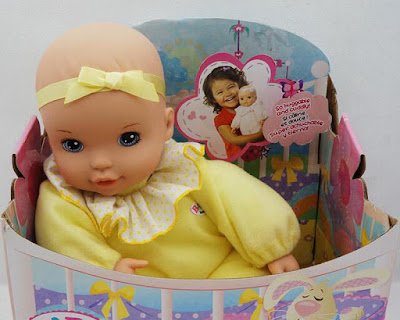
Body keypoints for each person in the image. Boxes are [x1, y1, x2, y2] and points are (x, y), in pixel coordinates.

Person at [35, 23, 300, 279]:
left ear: (166, 125)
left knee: (255, 279)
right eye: (72, 145)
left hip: (219, 270)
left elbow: (239, 199)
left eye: (128, 138)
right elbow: (64, 238)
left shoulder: (184, 171)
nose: (101, 162)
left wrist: (273, 249)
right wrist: (105, 267)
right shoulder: (65, 197)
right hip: (135, 292)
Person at [203, 66, 265, 159]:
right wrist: (261, 134)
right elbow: (235, 139)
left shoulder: (253, 106)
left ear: (240, 85)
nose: (228, 94)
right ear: (213, 99)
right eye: (220, 92)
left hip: (261, 154)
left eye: (231, 87)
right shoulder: (221, 119)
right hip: (240, 159)